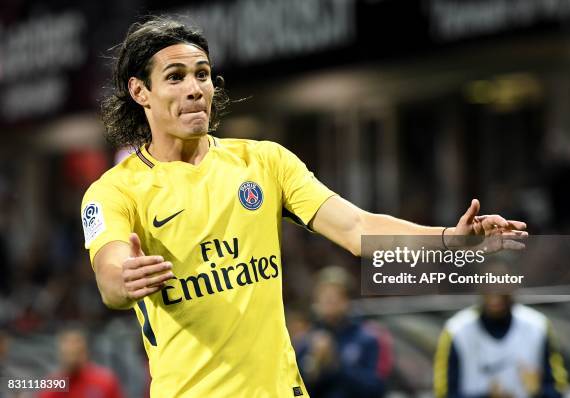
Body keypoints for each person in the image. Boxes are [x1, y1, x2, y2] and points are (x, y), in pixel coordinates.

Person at [80, 16, 527, 397]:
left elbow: (356, 228)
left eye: (202, 73)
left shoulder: (264, 161)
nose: (196, 88)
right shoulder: (115, 191)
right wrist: (124, 278)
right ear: (140, 91)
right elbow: (110, 273)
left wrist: (451, 240)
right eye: (175, 77)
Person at [433, 294, 568, 398]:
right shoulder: (456, 329)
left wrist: (538, 392)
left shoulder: (537, 325)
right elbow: (444, 393)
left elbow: (558, 388)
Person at [295, 266, 391, 398]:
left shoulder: (367, 339)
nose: (329, 301)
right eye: (324, 296)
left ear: (346, 301)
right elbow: (294, 390)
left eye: (335, 296)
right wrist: (313, 366)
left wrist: (335, 364)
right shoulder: (305, 342)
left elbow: (376, 388)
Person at [38, 329, 124, 398]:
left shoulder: (105, 381)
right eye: (67, 353)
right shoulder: (53, 384)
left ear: (85, 353)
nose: (71, 359)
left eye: (75, 353)